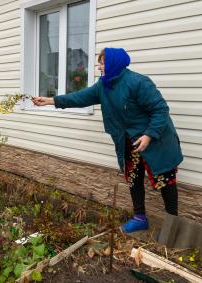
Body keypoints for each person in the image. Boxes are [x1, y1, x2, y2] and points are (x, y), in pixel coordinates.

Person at [32, 48, 183, 233]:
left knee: (165, 181)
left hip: (157, 141)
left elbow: (160, 110)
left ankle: (173, 226)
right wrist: (50, 101)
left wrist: (149, 135)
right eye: (99, 62)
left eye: (102, 62)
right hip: (130, 142)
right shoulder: (104, 85)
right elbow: (80, 97)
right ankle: (140, 218)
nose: (99, 66)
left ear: (114, 63)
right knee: (133, 178)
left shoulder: (138, 82)